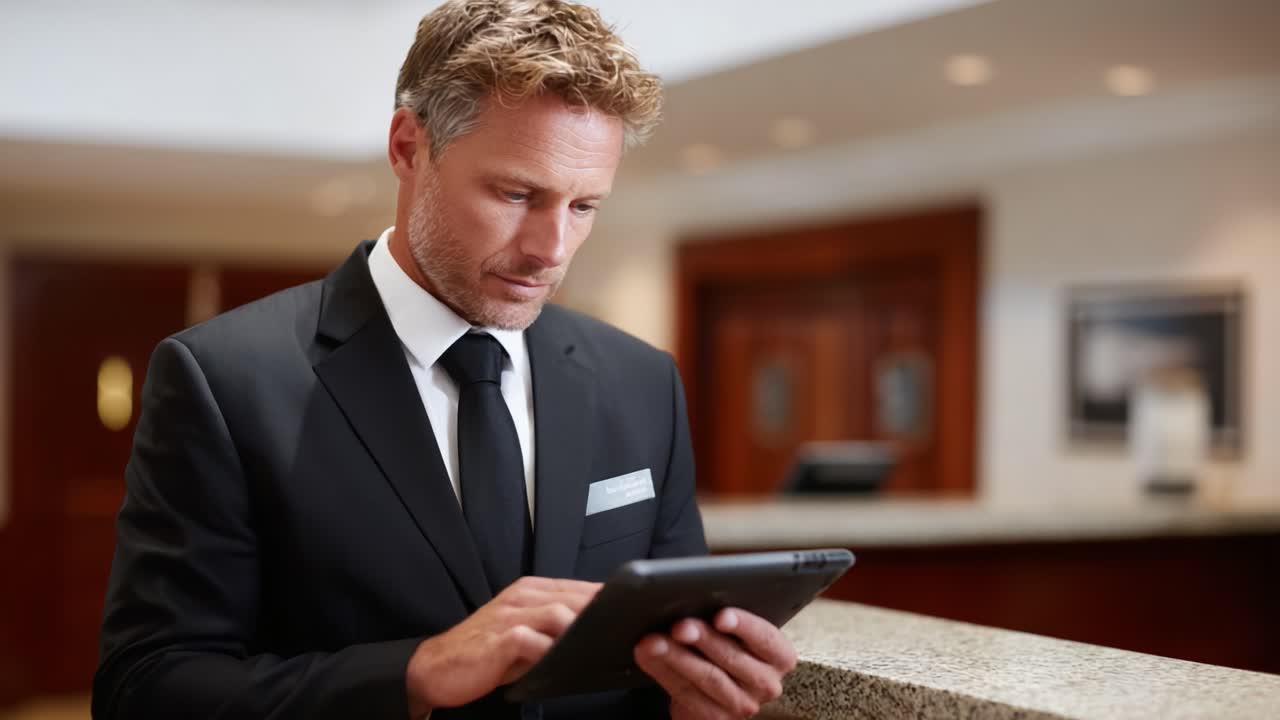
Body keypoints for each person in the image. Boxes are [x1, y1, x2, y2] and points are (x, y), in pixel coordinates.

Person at [92, 1, 797, 718]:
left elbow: (660, 659)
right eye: (517, 193)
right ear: (407, 146)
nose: (551, 251)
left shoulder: (644, 383)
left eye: (584, 206)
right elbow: (146, 688)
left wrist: (700, 697)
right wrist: (416, 672)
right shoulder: (223, 380)